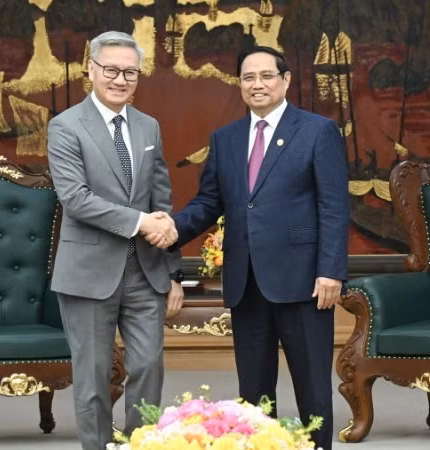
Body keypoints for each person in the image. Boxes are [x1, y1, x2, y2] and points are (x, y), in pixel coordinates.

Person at [151, 46, 349, 450]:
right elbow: (209, 203)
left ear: (286, 80)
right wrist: (172, 228)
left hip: (305, 282)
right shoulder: (225, 139)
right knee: (254, 393)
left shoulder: (317, 131)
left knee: (312, 388)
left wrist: (331, 270)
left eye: (265, 76)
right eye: (247, 77)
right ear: (239, 84)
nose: (256, 85)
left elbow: (334, 206)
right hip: (247, 284)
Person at [46, 31, 185, 450]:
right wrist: (142, 221)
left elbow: (162, 200)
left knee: (148, 368)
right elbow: (76, 199)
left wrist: (174, 271)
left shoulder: (149, 126)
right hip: (89, 274)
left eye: (130, 72)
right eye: (111, 70)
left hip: (146, 272)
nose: (120, 80)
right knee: (91, 378)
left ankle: (142, 445)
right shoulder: (65, 126)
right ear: (91, 70)